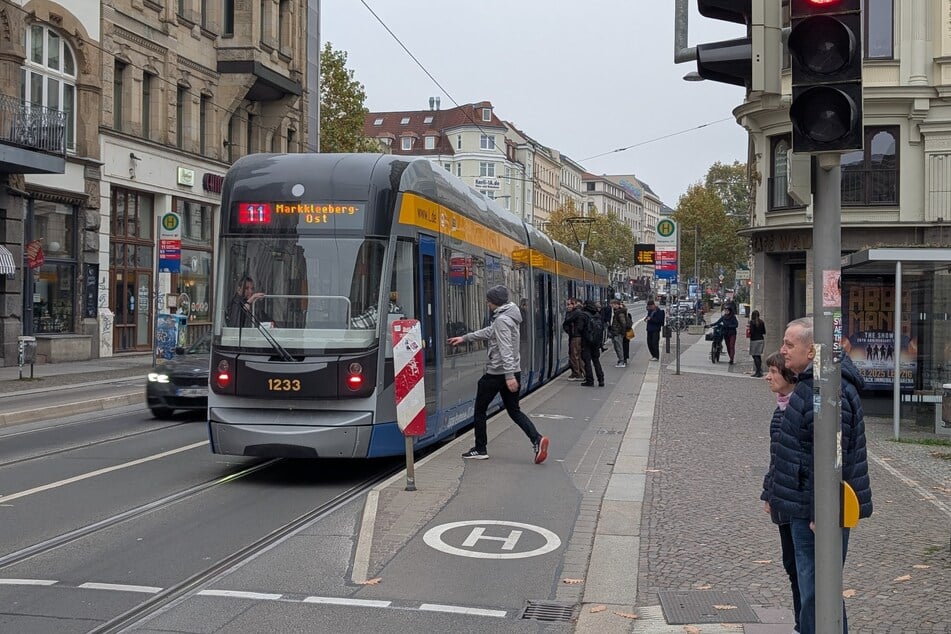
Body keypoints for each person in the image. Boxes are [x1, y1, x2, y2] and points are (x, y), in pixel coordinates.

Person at [771, 317, 873, 634]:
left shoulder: (827, 390)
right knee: (814, 588)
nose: (783, 351)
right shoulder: (812, 384)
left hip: (813, 510)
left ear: (812, 351)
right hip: (802, 505)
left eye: (789, 344)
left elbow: (830, 454)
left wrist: (822, 509)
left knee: (818, 590)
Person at [448, 285, 549, 464]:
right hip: (511, 371)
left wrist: (508, 376)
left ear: (494, 302)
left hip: (498, 373)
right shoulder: (509, 316)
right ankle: (537, 439)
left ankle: (480, 448)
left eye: (488, 301)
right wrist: (465, 338)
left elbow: (505, 348)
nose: (487, 304)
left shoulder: (502, 320)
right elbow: (490, 332)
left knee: (479, 410)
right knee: (514, 410)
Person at [759, 351, 801, 634]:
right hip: (783, 498)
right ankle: (802, 623)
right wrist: (768, 492)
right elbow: (777, 456)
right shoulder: (781, 407)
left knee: (802, 570)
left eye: (773, 372)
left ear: (789, 376)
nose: (768, 377)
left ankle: (807, 624)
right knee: (792, 566)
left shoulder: (797, 408)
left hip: (796, 500)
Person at [579, 299, 605, 387]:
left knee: (587, 361)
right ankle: (601, 380)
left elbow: (580, 328)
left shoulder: (583, 315)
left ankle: (590, 380)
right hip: (596, 342)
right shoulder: (597, 315)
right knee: (596, 361)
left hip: (586, 342)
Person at [562, 297, 586, 380]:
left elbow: (567, 321)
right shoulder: (577, 312)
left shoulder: (576, 312)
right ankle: (583, 372)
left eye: (570, 304)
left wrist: (568, 313)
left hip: (576, 336)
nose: (568, 306)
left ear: (575, 304)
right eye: (567, 304)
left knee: (574, 355)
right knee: (577, 356)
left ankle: (577, 373)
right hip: (576, 336)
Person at [608, 299, 629, 368]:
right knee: (617, 347)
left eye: (612, 304)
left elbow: (623, 323)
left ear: (616, 304)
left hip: (618, 333)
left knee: (619, 347)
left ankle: (621, 361)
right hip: (616, 332)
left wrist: (622, 332)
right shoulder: (617, 312)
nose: (611, 306)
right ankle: (621, 360)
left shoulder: (620, 313)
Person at [748, 309, 767, 377]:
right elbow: (764, 331)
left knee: (755, 356)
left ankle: (758, 371)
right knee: (758, 356)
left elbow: (752, 332)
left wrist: (749, 331)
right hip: (761, 339)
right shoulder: (761, 322)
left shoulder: (752, 322)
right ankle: (759, 371)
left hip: (754, 340)